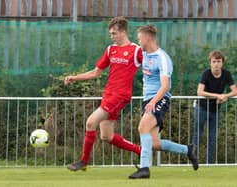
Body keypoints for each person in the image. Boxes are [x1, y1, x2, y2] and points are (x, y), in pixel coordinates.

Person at [64, 16, 143, 171]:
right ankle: (140, 151)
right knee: (106, 136)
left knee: (90, 122)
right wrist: (75, 77)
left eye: (114, 33)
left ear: (123, 32)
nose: (112, 36)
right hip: (108, 94)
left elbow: (150, 65)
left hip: (120, 96)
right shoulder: (110, 50)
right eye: (110, 34)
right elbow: (95, 72)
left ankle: (83, 162)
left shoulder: (136, 50)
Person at [128, 25, 199, 179]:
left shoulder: (162, 58)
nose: (138, 41)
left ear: (148, 38)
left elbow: (165, 85)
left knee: (142, 127)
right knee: (154, 143)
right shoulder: (144, 54)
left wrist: (153, 101)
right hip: (149, 100)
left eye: (140, 38)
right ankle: (188, 150)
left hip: (160, 99)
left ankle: (144, 168)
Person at [192, 50, 237, 164]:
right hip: (201, 108)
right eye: (214, 61)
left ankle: (209, 164)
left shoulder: (226, 74)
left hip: (215, 110)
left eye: (219, 61)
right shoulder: (206, 73)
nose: (216, 64)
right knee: (197, 136)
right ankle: (193, 161)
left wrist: (225, 96)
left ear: (222, 63)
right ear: (210, 63)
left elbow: (235, 91)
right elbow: (199, 92)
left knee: (212, 138)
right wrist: (217, 95)